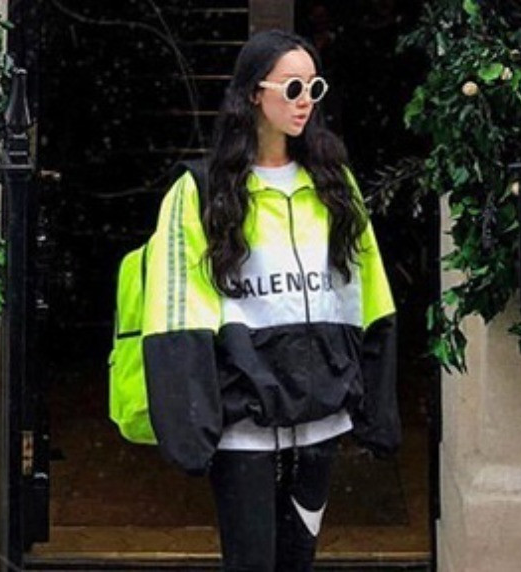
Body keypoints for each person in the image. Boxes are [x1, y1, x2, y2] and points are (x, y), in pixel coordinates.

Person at [140, 29, 400, 571]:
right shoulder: (200, 190)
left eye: (314, 88)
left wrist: (373, 407)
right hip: (245, 420)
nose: (306, 101)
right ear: (254, 93)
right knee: (251, 562)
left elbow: (369, 293)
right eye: (293, 88)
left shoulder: (335, 184)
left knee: (299, 560)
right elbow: (175, 307)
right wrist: (192, 421)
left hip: (322, 413)